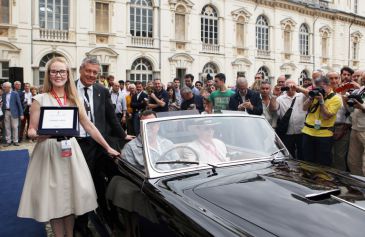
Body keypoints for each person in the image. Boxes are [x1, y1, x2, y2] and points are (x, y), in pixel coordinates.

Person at [17, 57, 120, 237]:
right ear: (49, 75)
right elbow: (31, 131)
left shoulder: (73, 99)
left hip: (71, 151)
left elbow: (89, 125)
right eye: (54, 71)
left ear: (68, 74)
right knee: (55, 198)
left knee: (71, 197)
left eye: (62, 71)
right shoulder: (39, 99)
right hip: (49, 152)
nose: (58, 75)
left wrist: (107, 147)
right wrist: (38, 134)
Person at [75, 57, 132, 235]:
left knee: (101, 182)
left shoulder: (101, 90)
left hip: (99, 145)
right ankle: (81, 226)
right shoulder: (69, 89)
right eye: (88, 71)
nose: (92, 75)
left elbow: (111, 117)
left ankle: (106, 217)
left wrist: (123, 135)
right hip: (77, 145)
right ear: (80, 70)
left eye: (95, 72)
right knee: (80, 186)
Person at [302, 76, 342, 165]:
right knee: (307, 160)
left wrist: (321, 102)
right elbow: (304, 108)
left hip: (324, 135)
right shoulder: (315, 95)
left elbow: (326, 116)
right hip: (308, 132)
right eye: (316, 87)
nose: (318, 90)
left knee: (323, 162)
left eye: (320, 87)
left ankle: (322, 179)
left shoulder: (336, 98)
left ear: (328, 85)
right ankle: (308, 177)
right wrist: (310, 98)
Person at [271, 79, 308, 159]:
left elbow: (310, 94)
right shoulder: (280, 98)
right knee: (290, 154)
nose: (290, 88)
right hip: (287, 132)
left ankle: (301, 170)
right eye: (288, 85)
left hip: (301, 130)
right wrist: (274, 95)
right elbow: (274, 108)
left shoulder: (301, 96)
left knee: (302, 153)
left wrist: (297, 88)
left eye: (292, 85)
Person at [347, 77, 365, 175]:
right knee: (353, 161)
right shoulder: (360, 89)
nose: (363, 80)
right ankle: (358, 185)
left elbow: (362, 107)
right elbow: (351, 110)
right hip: (355, 128)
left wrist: (362, 107)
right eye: (363, 79)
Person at [1, 82, 24, 146]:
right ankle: (8, 141)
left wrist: (21, 114)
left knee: (15, 127)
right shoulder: (3, 94)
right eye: (4, 87)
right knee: (7, 127)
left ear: (9, 87)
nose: (4, 88)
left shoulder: (15, 94)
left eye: (5, 87)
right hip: (6, 112)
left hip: (14, 112)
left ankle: (15, 141)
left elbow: (19, 104)